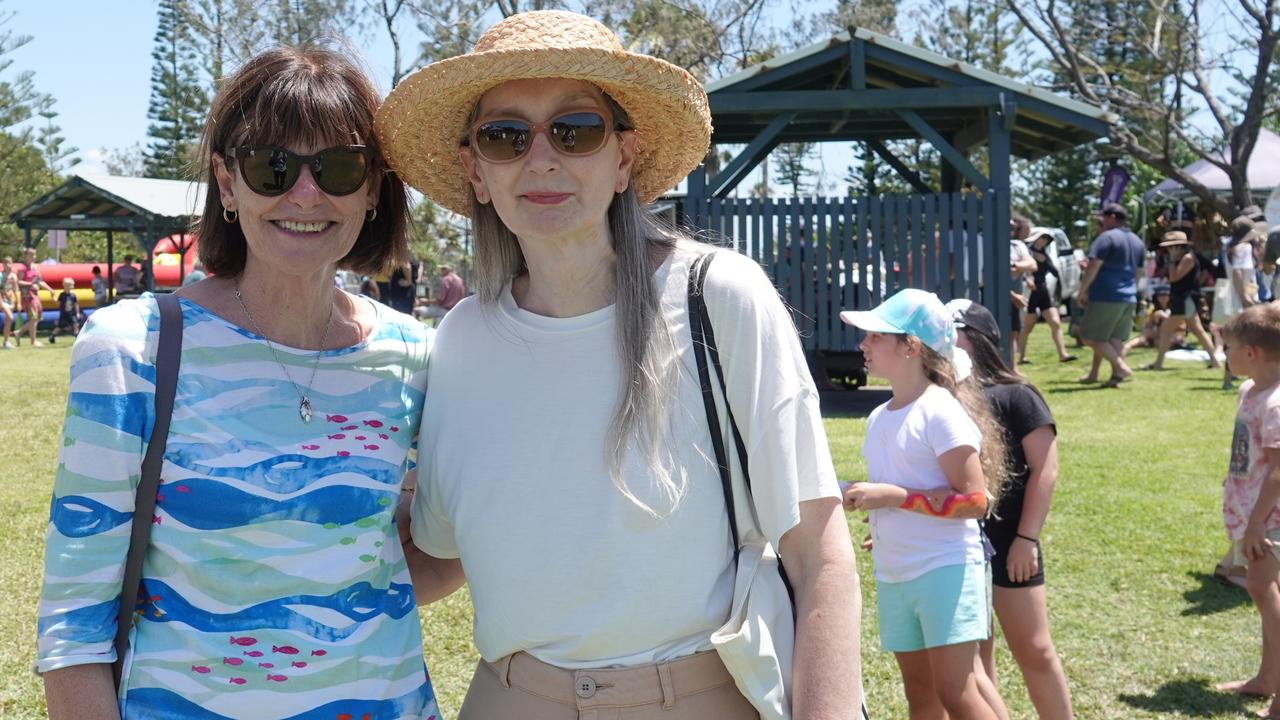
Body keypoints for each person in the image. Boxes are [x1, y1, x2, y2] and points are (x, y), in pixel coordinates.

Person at [378, 10, 862, 718]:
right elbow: (445, 554)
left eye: (575, 130)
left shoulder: (718, 298)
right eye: (505, 136)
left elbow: (819, 559)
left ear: (624, 158)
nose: (541, 159)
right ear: (474, 170)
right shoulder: (460, 340)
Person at [36, 45, 453, 720]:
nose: (306, 194)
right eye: (272, 166)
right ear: (228, 184)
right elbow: (74, 625)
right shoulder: (130, 349)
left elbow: (436, 552)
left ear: (372, 188)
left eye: (339, 167)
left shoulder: (419, 356)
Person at [840, 289, 1009, 720]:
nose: (863, 345)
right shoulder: (880, 417)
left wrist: (892, 499)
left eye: (876, 336)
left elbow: (974, 500)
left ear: (911, 346)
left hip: (945, 569)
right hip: (897, 573)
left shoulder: (940, 411)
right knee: (921, 694)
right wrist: (884, 523)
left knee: (956, 692)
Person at [946, 299, 1074, 720]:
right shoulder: (943, 400)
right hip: (956, 546)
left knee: (1033, 648)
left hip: (1010, 542)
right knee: (977, 657)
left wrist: (1026, 538)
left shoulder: (1017, 395)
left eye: (953, 330)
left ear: (976, 339)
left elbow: (1045, 470)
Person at [1212, 303, 1280, 713]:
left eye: (1229, 348)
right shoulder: (1248, 391)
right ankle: (1267, 677)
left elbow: (1278, 471)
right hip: (1252, 515)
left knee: (1261, 588)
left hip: (1269, 519)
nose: (1225, 355)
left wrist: (1256, 524)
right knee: (1262, 590)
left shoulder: (1275, 404)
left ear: (1251, 352)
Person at [1075, 203, 1145, 387]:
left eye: (1104, 217)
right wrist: (1132, 290)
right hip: (1128, 295)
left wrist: (1082, 290)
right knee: (1112, 339)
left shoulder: (1105, 238)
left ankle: (1120, 367)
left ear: (1112, 217)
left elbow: (1094, 265)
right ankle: (1111, 377)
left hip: (1106, 294)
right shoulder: (1137, 241)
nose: (1101, 221)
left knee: (1089, 336)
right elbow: (1139, 271)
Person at [1142, 232, 1219, 370]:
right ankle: (1215, 362)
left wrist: (1171, 260)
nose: (1168, 250)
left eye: (1171, 247)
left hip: (1185, 298)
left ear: (1179, 247)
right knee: (1199, 331)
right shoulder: (1182, 258)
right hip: (1183, 298)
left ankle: (1158, 364)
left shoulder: (1188, 258)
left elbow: (1174, 277)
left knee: (1166, 328)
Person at [1018, 228, 1077, 364]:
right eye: (1041, 238)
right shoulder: (1026, 253)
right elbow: (1022, 271)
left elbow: (1055, 271)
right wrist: (1028, 278)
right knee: (1028, 327)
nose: (1044, 241)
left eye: (1046, 239)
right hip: (1030, 293)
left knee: (1055, 323)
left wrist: (1044, 260)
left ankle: (1063, 354)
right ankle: (1021, 357)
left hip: (1043, 291)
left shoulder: (1044, 254)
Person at [1219, 215, 1263, 391]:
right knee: (1250, 341)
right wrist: (1245, 298)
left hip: (1231, 299)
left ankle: (1228, 378)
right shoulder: (1244, 247)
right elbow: (1238, 274)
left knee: (1234, 342)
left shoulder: (1229, 247)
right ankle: (1253, 378)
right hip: (1242, 299)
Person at [1009, 217, 1038, 362]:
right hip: (1006, 295)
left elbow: (1032, 265)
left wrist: (1015, 266)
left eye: (1013, 228)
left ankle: (1013, 367)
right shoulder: (989, 243)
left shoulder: (1017, 245)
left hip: (1017, 295)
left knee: (1014, 332)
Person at [1123, 285, 1177, 354]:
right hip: (1155, 334)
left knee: (1158, 341)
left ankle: (1147, 342)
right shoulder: (1153, 309)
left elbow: (1181, 327)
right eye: (1160, 295)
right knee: (1147, 333)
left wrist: (1165, 317)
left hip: (1171, 334)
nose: (1163, 298)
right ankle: (1127, 346)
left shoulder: (1175, 309)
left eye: (1165, 295)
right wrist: (1153, 319)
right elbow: (1146, 326)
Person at [17, 246, 53, 347]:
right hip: (27, 296)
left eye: (34, 254)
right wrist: (29, 284)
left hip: (35, 295)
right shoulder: (22, 268)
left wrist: (50, 289)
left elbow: (39, 281)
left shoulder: (35, 267)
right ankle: (33, 341)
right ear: (25, 256)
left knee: (38, 317)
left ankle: (19, 333)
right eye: (31, 255)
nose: (33, 257)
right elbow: (18, 281)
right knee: (33, 317)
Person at [48, 277, 81, 343]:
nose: (72, 286)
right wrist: (53, 297)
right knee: (60, 327)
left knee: (75, 324)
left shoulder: (73, 295)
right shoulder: (62, 295)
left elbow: (76, 304)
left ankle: (77, 338)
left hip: (72, 314)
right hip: (64, 314)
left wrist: (77, 313)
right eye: (71, 285)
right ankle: (52, 336)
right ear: (66, 286)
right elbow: (58, 302)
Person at [0, 256, 16, 348]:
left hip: (9, 301)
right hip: (2, 300)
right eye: (6, 263)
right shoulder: (1, 275)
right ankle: (6, 342)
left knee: (8, 320)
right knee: (10, 318)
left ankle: (6, 342)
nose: (9, 265)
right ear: (3, 265)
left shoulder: (13, 276)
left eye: (10, 263)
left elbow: (14, 290)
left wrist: (14, 302)